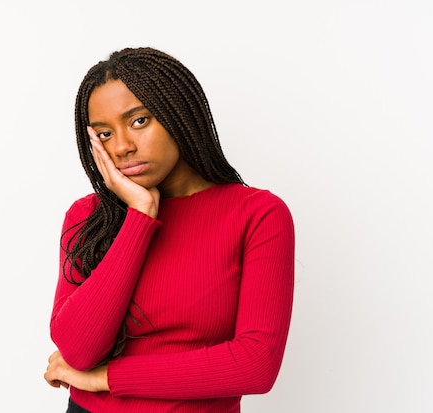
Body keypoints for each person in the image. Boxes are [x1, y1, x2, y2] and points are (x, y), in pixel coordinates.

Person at [44, 47, 295, 413]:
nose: (123, 147)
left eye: (139, 121)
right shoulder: (87, 216)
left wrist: (105, 378)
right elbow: (79, 350)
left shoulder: (258, 215)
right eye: (104, 133)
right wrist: (140, 216)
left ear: (178, 114)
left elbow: (254, 365)